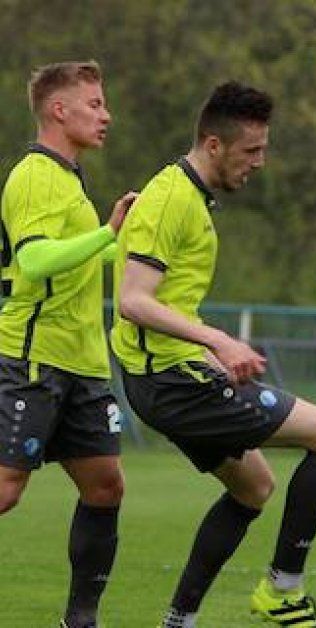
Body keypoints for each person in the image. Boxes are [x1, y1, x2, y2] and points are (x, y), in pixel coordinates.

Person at [112, 82, 316, 628]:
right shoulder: (171, 200)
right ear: (214, 145)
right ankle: (283, 591)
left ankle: (179, 621)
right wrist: (218, 341)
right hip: (172, 384)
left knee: (254, 487)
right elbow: (133, 301)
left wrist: (205, 350)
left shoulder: (187, 196)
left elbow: (164, 302)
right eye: (252, 150)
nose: (260, 162)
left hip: (170, 376)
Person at [0, 60, 136, 628]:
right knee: (6, 490)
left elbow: (84, 259)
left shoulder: (70, 177)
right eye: (95, 104)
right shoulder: (34, 175)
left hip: (83, 364)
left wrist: (135, 244)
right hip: (34, 359)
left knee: (105, 487)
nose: (107, 116)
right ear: (59, 110)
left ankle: (80, 621)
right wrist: (106, 233)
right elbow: (34, 260)